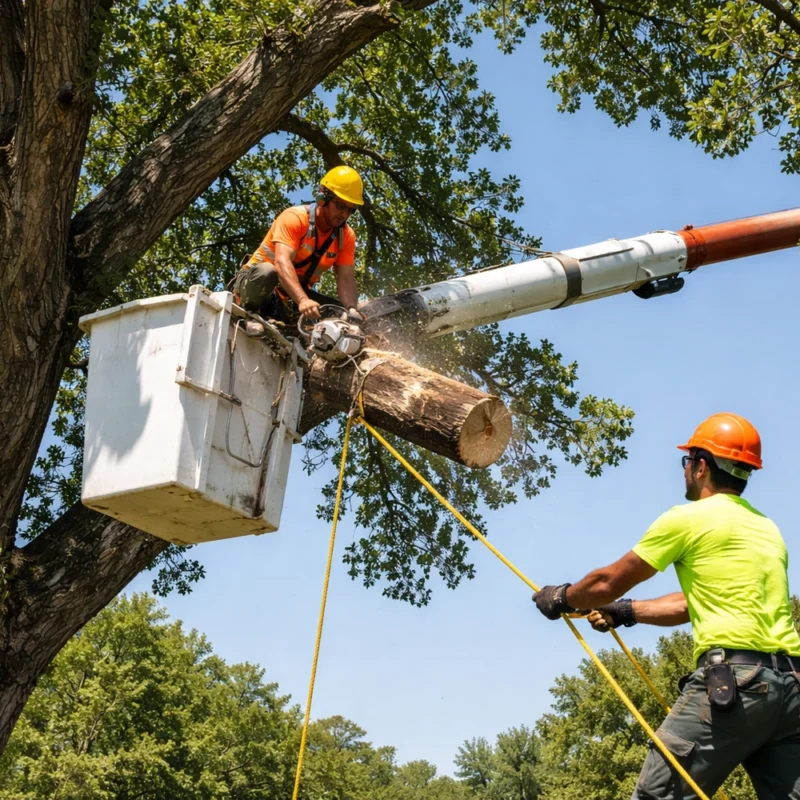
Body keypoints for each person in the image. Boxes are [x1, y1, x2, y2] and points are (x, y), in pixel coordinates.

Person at [532, 413, 800, 799]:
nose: (686, 471)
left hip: (736, 686)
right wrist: (625, 612)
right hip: (790, 693)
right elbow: (695, 604)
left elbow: (608, 581)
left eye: (688, 462)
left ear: (702, 466)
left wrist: (563, 597)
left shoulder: (688, 519)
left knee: (656, 795)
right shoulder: (767, 529)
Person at [234, 165, 364, 328]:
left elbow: (345, 278)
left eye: (351, 210)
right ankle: (249, 313)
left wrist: (351, 309)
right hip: (255, 286)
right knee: (268, 272)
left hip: (289, 297)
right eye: (340, 206)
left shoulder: (345, 236)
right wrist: (302, 300)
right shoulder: (295, 218)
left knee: (338, 313)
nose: (344, 214)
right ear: (323, 197)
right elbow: (282, 263)